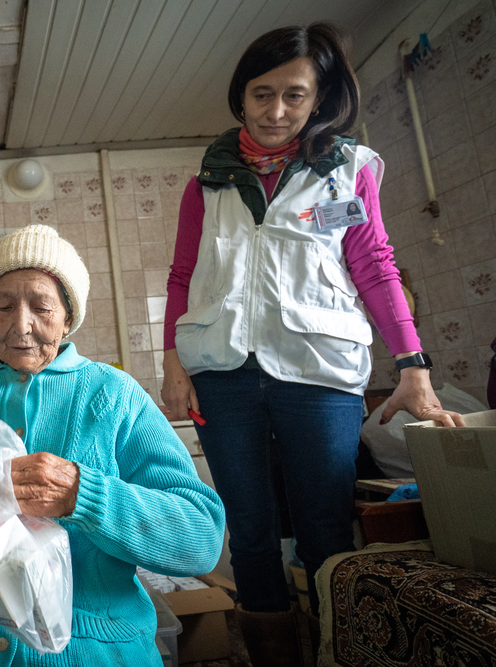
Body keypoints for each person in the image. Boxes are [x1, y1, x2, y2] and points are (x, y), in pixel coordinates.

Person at [160, 23, 464, 666]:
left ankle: (337, 649)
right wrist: (172, 363)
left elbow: (375, 266)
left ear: (319, 97)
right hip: (222, 372)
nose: (276, 112)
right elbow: (183, 274)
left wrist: (414, 366)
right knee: (248, 529)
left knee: (327, 526)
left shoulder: (346, 172)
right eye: (261, 93)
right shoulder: (207, 182)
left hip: (321, 374)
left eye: (294, 95)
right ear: (240, 97)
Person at [0, 224, 225, 666]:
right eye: (5, 305)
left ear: (68, 318)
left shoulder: (114, 395)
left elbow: (201, 539)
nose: (21, 324)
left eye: (42, 307)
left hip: (86, 645)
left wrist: (82, 494)